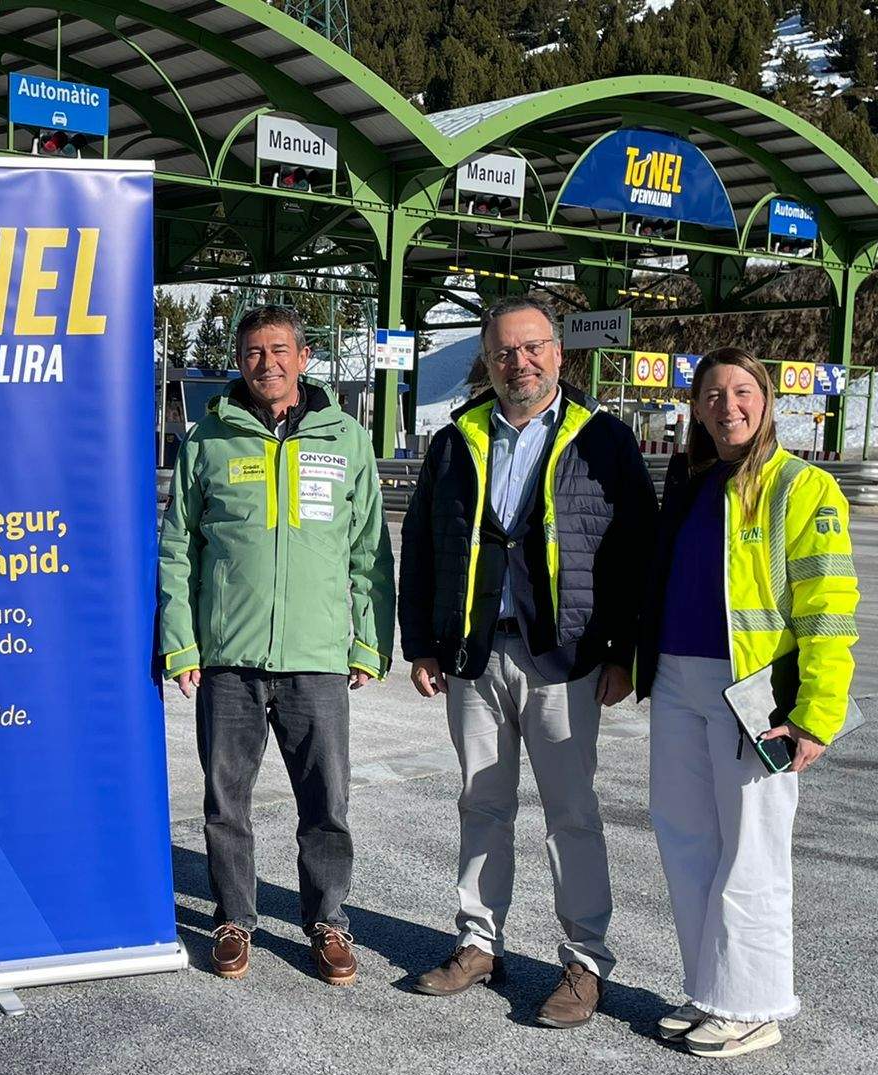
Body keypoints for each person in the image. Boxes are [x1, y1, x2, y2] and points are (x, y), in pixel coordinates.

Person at [399, 295, 656, 1027]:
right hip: (475, 657)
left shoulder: (603, 438)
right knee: (482, 804)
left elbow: (636, 552)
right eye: (506, 351)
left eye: (534, 347)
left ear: (559, 354)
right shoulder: (457, 439)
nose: (521, 362)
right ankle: (479, 943)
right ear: (488, 358)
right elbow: (422, 546)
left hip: (565, 658)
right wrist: (420, 642)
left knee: (572, 814)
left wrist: (623, 653)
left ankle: (584, 961)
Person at [158, 305, 395, 985]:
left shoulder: (345, 440)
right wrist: (182, 643)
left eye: (280, 350)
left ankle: (327, 923)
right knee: (225, 800)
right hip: (227, 658)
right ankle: (234, 918)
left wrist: (369, 644)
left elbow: (370, 553)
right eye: (254, 352)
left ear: (305, 356)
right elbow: (178, 551)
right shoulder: (208, 440)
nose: (268, 363)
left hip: (316, 657)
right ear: (239, 361)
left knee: (326, 803)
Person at [636, 347, 858, 1059]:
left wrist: (817, 712)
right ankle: (710, 989)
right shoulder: (694, 480)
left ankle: (753, 1004)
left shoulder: (804, 486)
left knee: (752, 852)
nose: (726, 406)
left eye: (741, 392)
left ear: (766, 400)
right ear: (695, 407)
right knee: (686, 840)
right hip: (677, 679)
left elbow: (828, 607)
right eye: (711, 394)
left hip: (753, 695)